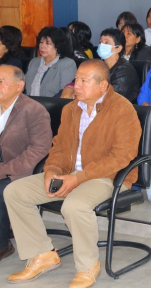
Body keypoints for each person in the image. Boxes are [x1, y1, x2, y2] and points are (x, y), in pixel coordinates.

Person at [5, 60, 141, 287]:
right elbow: (58, 147)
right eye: (76, 79)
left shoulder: (122, 110)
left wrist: (78, 178)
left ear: (103, 85)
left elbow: (121, 157)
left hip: (107, 177)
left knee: (74, 205)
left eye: (83, 81)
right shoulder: (71, 109)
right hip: (69, 172)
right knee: (15, 192)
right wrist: (51, 171)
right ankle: (42, 255)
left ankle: (88, 267)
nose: (76, 85)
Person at [0, 65, 53, 262]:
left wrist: (4, 170)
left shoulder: (34, 110)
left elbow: (38, 150)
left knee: (1, 189)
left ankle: (2, 244)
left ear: (19, 86)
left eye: (1, 82)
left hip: (18, 170)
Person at [86, 28, 140, 103]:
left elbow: (112, 97)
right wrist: (69, 88)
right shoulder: (97, 64)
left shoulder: (125, 70)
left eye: (106, 43)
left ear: (118, 48)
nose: (102, 45)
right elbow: (79, 79)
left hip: (118, 109)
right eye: (100, 42)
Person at [24, 27, 77, 97]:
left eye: (48, 43)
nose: (42, 46)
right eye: (41, 42)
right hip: (29, 104)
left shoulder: (67, 64)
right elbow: (24, 87)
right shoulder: (34, 62)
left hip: (52, 105)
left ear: (58, 46)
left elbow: (65, 92)